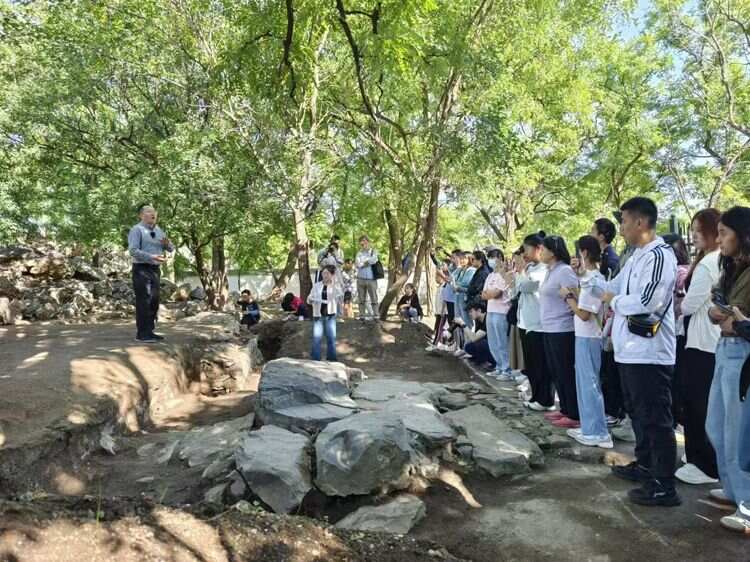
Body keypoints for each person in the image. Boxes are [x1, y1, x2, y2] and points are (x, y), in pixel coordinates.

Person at [597, 196, 680, 507]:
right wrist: (604, 292)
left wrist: (613, 302)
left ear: (641, 223)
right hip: (630, 351)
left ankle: (663, 484)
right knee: (639, 414)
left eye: (624, 222)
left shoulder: (660, 255)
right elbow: (617, 285)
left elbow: (649, 302)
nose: (622, 228)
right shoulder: (635, 256)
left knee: (656, 418)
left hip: (650, 353)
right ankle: (645, 466)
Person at [705, 206, 750, 533]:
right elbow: (717, 311)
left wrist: (737, 321)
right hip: (725, 349)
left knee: (740, 433)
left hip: (743, 353)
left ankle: (747, 504)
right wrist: (720, 315)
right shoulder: (732, 268)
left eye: (724, 232)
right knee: (717, 424)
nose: (718, 239)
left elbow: (741, 320)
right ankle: (734, 490)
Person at [675, 209, 721, 486]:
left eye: (698, 229)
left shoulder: (709, 263)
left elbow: (691, 304)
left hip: (703, 342)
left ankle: (702, 463)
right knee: (698, 402)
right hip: (704, 340)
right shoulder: (712, 260)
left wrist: (681, 305)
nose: (693, 235)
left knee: (696, 403)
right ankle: (699, 458)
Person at [561, 236, 612, 448]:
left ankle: (597, 431)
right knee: (584, 382)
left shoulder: (594, 281)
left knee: (589, 383)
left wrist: (568, 297)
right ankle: (590, 426)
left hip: (589, 336)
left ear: (584, 253)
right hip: (584, 336)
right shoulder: (589, 278)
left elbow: (584, 314)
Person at [539, 235, 580, 429]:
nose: (541, 253)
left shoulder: (564, 271)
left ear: (553, 252)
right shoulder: (550, 271)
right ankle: (564, 407)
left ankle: (573, 412)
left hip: (562, 328)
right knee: (556, 370)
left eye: (544, 249)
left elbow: (575, 296)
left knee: (565, 371)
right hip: (548, 327)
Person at [516, 232, 553, 412]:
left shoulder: (545, 270)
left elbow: (525, 286)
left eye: (527, 249)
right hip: (525, 321)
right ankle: (535, 396)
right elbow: (517, 288)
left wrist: (520, 273)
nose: (524, 253)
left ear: (539, 249)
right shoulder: (529, 268)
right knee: (530, 364)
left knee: (540, 364)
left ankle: (545, 399)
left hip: (538, 323)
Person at [127, 204, 174, 343]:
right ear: (141, 215)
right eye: (149, 212)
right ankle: (142, 333)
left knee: (154, 300)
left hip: (155, 270)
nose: (153, 214)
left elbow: (171, 248)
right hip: (141, 269)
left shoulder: (159, 230)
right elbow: (133, 251)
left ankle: (150, 330)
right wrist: (152, 257)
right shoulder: (137, 230)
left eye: (154, 212)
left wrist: (167, 245)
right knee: (144, 300)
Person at [664, 233, 691, 428]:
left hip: (678, 333)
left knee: (675, 383)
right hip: (675, 332)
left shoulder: (680, 272)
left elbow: (684, 302)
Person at [481, 249, 513, 380]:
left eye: (493, 257)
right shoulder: (490, 276)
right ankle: (499, 366)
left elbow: (497, 293)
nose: (491, 261)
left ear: (500, 257)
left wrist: (490, 294)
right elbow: (483, 294)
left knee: (502, 341)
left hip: (502, 312)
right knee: (493, 341)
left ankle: (507, 369)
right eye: (489, 258)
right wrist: (490, 294)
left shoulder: (505, 274)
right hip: (490, 310)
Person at [308, 265, 341, 361]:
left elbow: (339, 296)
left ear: (332, 274)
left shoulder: (335, 286)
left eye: (327, 273)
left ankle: (332, 359)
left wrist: (333, 283)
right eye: (323, 273)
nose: (325, 275)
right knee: (316, 338)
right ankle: (316, 359)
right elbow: (309, 298)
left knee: (331, 338)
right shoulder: (317, 285)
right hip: (318, 315)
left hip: (330, 315)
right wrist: (310, 300)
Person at [458, 301, 495, 369]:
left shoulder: (487, 319)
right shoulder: (478, 320)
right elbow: (473, 338)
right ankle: (480, 359)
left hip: (495, 349)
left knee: (481, 343)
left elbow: (474, 338)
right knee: (468, 346)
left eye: (471, 311)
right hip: (489, 346)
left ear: (479, 310)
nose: (469, 314)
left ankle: (492, 362)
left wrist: (463, 324)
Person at [355, 236, 380, 320]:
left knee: (373, 297)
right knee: (361, 299)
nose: (363, 243)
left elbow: (374, 260)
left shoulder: (373, 252)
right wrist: (367, 262)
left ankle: (376, 315)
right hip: (360, 279)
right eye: (361, 242)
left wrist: (364, 262)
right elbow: (358, 264)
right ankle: (362, 315)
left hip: (371, 279)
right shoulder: (359, 253)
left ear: (368, 242)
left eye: (365, 241)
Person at [453, 251, 476, 329]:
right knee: (459, 321)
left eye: (464, 258)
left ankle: (468, 340)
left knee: (466, 321)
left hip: (465, 298)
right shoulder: (461, 269)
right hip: (458, 297)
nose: (462, 260)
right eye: (461, 258)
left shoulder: (472, 270)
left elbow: (465, 283)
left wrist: (458, 285)